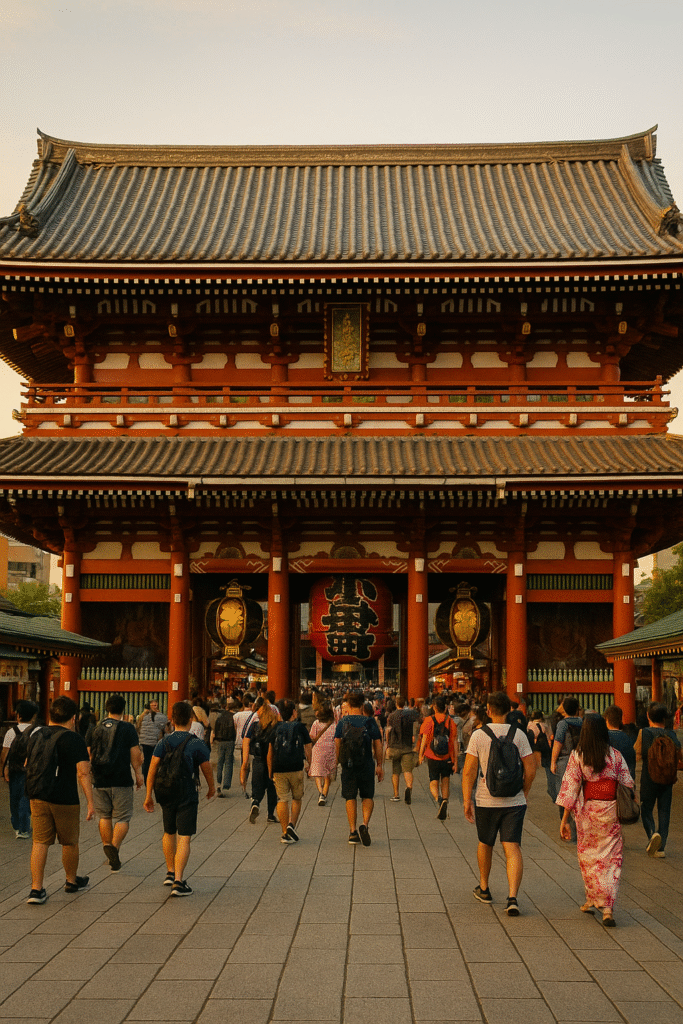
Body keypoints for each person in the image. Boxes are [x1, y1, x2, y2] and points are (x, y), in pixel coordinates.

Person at [556, 714, 635, 926]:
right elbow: (628, 783)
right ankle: (607, 906)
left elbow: (570, 789)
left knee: (589, 857)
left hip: (587, 813)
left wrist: (564, 819)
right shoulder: (616, 756)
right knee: (611, 858)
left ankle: (592, 898)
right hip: (610, 811)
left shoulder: (578, 755)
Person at [462, 690, 536, 916]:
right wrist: (523, 791)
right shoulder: (520, 735)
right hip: (514, 801)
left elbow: (469, 772)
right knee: (512, 846)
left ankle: (484, 887)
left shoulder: (478, 735)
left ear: (489, 710)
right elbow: (531, 769)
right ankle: (512, 897)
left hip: (486, 799)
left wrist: (467, 800)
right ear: (508, 710)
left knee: (486, 843)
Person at [25, 696, 95, 905]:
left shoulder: (36, 734)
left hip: (37, 794)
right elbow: (83, 772)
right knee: (70, 841)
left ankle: (36, 889)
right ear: (74, 718)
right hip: (64, 797)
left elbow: (28, 762)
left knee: (39, 841)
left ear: (50, 715)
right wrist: (90, 802)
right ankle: (71, 881)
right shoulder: (73, 739)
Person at [144, 701, 215, 896]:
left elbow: (152, 768)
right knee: (184, 837)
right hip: (186, 790)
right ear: (191, 720)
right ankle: (178, 881)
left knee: (168, 831)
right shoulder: (196, 743)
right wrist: (211, 787)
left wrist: (148, 794)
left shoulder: (163, 742)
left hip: (165, 791)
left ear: (172, 720)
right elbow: (206, 767)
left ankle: (170, 871)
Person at [86, 694, 143, 871]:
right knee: (123, 817)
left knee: (105, 816)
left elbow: (89, 755)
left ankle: (106, 845)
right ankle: (114, 847)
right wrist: (139, 774)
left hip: (100, 779)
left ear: (106, 708)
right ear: (123, 709)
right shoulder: (127, 728)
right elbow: (135, 755)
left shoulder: (94, 729)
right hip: (121, 778)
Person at [334, 690, 383, 846]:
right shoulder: (370, 722)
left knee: (350, 797)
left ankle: (353, 831)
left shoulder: (343, 722)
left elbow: (337, 743)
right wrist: (380, 765)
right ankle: (365, 824)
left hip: (348, 765)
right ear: (363, 705)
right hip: (366, 763)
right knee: (367, 796)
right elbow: (378, 744)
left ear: (348, 704)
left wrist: (336, 762)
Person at [635, 701, 682, 858]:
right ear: (665, 718)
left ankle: (652, 836)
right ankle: (661, 848)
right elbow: (680, 755)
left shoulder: (644, 733)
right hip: (667, 779)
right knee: (664, 811)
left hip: (649, 777)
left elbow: (637, 752)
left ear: (648, 716)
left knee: (646, 808)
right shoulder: (672, 735)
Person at [268, 699, 312, 844]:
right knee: (297, 797)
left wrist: (270, 770)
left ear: (279, 713)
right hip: (296, 766)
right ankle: (292, 824)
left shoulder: (275, 727)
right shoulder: (300, 727)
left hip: (279, 767)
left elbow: (270, 751)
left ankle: (284, 831)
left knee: (282, 799)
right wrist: (309, 764)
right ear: (294, 712)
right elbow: (308, 747)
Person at [1, 699, 38, 839]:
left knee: (14, 798)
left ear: (18, 715)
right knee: (25, 798)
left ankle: (17, 826)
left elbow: (4, 755)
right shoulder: (38, 731)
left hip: (15, 770)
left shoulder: (11, 732)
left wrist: (3, 770)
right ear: (34, 716)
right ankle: (24, 828)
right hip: (32, 771)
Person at [418, 694, 457, 820]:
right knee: (445, 781)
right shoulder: (451, 722)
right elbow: (455, 742)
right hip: (447, 757)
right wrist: (455, 761)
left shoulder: (428, 720)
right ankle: (445, 800)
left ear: (434, 708)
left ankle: (439, 799)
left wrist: (421, 755)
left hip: (432, 755)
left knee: (433, 781)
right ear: (445, 708)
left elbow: (424, 739)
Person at [241, 697, 279, 823]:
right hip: (272, 761)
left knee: (257, 786)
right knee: (272, 788)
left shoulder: (253, 726)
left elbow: (246, 743)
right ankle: (270, 814)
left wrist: (244, 765)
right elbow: (272, 748)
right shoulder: (274, 727)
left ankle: (255, 803)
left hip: (257, 760)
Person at [550, 698, 583, 841]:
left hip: (565, 760)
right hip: (581, 760)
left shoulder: (562, 724)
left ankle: (567, 829)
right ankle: (578, 828)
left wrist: (553, 761)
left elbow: (558, 742)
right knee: (579, 794)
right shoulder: (583, 722)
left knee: (563, 795)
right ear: (577, 709)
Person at [385, 695, 419, 803]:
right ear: (404, 704)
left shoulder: (391, 716)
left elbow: (388, 730)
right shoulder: (409, 715)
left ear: (396, 704)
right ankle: (409, 787)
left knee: (395, 771)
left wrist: (388, 744)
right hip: (407, 746)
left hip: (395, 746)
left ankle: (396, 794)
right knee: (407, 770)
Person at [308, 700, 337, 806]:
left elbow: (312, 736)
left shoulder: (316, 723)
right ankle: (324, 794)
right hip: (330, 749)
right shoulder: (334, 724)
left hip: (318, 749)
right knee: (327, 774)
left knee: (317, 773)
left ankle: (320, 792)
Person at [137, 699, 169, 781]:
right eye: (154, 705)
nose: (156, 706)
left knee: (146, 761)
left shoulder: (142, 716)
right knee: (155, 761)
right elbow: (166, 729)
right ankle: (153, 778)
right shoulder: (161, 716)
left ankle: (146, 779)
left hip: (144, 742)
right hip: (154, 742)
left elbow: (138, 728)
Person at [604, 705, 636, 780]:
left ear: (606, 719)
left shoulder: (604, 737)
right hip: (626, 780)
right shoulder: (628, 737)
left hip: (609, 781)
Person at [527, 710, 554, 799]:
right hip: (545, 745)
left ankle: (537, 768)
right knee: (546, 762)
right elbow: (550, 735)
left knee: (536, 761)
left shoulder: (530, 725)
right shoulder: (545, 725)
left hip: (536, 745)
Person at [212, 701, 236, 797]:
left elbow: (216, 729)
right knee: (228, 762)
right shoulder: (233, 717)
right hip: (230, 741)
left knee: (220, 762)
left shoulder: (220, 717)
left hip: (220, 741)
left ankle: (218, 782)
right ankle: (226, 783)